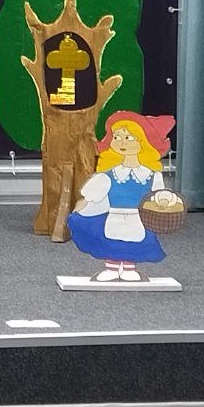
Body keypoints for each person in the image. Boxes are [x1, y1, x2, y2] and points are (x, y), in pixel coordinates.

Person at [67, 112, 180, 282]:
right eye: (117, 137)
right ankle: (112, 268)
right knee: (113, 241)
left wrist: (163, 200)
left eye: (128, 138)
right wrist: (83, 205)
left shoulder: (151, 175)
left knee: (134, 242)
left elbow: (158, 194)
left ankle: (129, 267)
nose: (122, 142)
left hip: (139, 217)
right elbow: (93, 194)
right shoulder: (109, 175)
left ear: (143, 141)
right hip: (114, 215)